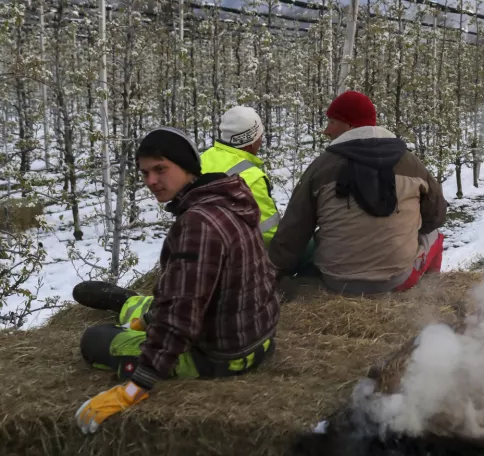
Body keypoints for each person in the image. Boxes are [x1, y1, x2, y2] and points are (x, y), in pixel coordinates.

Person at [72, 127, 280, 434]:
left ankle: (134, 312)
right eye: (145, 173)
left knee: (95, 340)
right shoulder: (229, 198)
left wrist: (136, 385)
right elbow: (196, 289)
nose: (151, 181)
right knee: (168, 298)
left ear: (187, 168)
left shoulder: (198, 223)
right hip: (259, 339)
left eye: (161, 169)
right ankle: (135, 308)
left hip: (221, 356)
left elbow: (182, 318)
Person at [268, 90, 448, 296]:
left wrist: (272, 271)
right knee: (434, 234)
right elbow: (437, 216)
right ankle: (430, 296)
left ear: (351, 126)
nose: (326, 131)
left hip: (335, 282)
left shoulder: (320, 168)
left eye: (332, 122)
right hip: (397, 280)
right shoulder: (412, 163)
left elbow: (293, 232)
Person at [200, 106, 281, 245]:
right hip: (237, 254)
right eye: (260, 136)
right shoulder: (252, 177)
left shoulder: (202, 159)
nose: (261, 141)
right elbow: (268, 232)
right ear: (251, 142)